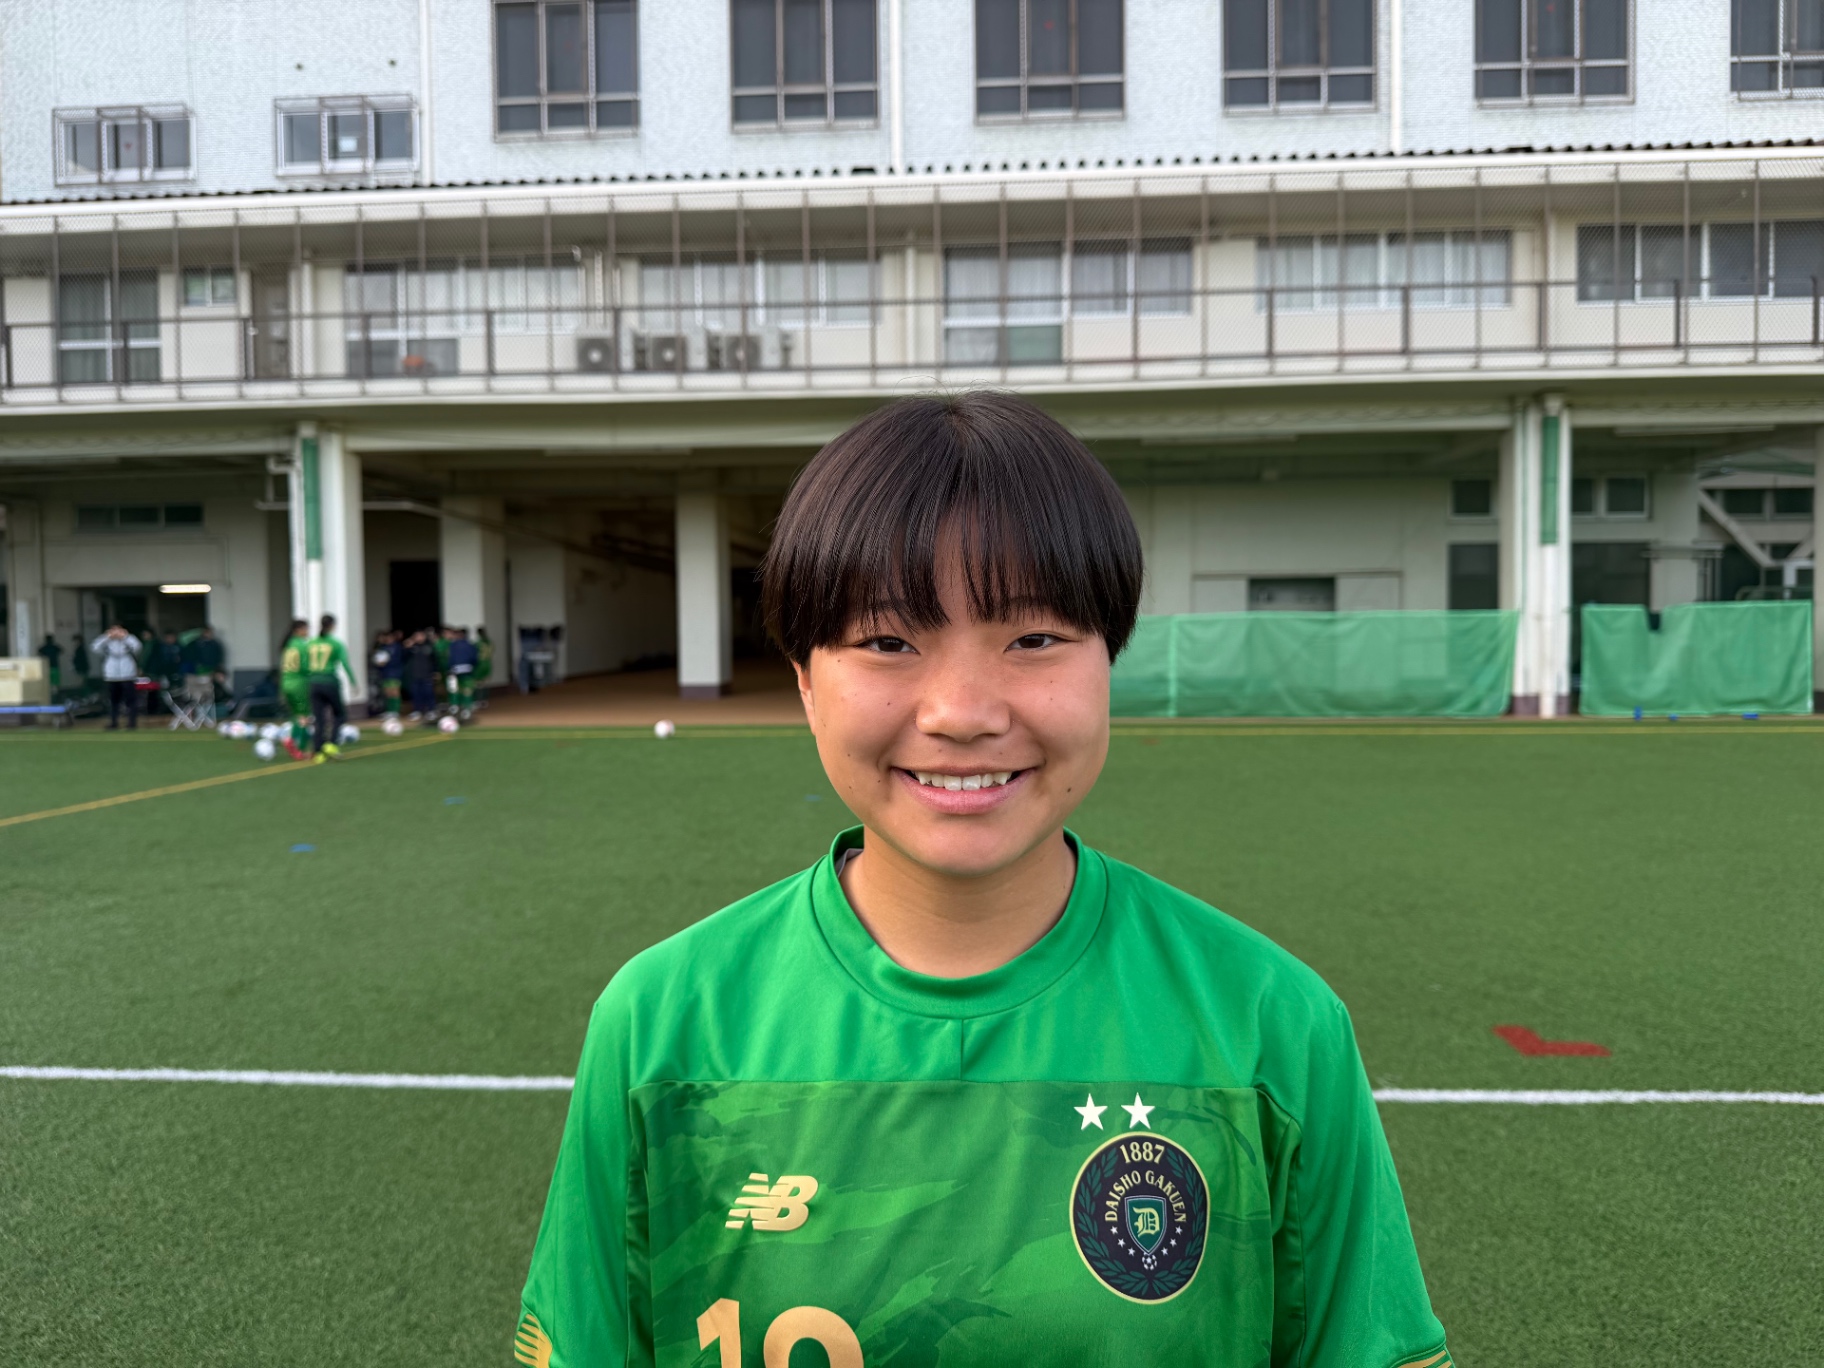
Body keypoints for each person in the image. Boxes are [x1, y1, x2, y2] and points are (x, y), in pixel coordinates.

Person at [516, 394, 1449, 1367]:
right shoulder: (663, 1023)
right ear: (803, 680)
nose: (961, 712)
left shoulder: (1270, 1025)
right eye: (887, 641)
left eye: (1033, 639)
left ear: (1110, 659)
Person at [304, 613, 358, 763]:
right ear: (333, 626)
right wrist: (353, 682)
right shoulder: (336, 643)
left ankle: (318, 752)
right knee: (340, 714)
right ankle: (331, 744)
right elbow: (345, 663)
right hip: (329, 682)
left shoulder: (311, 643)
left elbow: (305, 663)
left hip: (314, 683)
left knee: (319, 718)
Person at [90, 623, 141, 730]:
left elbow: (137, 647)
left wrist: (125, 637)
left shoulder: (128, 639)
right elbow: (94, 648)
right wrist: (106, 637)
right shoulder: (107, 641)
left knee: (130, 700)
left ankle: (132, 722)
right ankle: (114, 722)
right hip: (111, 675)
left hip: (127, 674)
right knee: (113, 700)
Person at [278, 619, 312, 761]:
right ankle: (299, 748)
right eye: (306, 629)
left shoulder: (288, 645)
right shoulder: (302, 645)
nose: (307, 632)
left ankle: (292, 742)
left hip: (286, 682)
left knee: (296, 715)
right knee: (305, 716)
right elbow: (305, 667)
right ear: (299, 630)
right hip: (299, 683)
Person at [182, 625, 227, 724]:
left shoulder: (215, 644)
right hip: (198, 675)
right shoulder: (196, 644)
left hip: (210, 674)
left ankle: (205, 714)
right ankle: (195, 714)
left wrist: (216, 670)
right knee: (195, 695)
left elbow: (219, 658)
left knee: (209, 693)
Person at [446, 626, 478, 721]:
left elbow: (450, 659)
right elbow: (475, 659)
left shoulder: (452, 645)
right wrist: (472, 667)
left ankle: (454, 707)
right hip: (468, 670)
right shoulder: (471, 645)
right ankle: (466, 709)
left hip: (455, 670)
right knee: (467, 690)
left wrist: (449, 669)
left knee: (454, 689)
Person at [373, 629, 405, 720]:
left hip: (395, 672)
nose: (388, 639)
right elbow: (378, 658)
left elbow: (399, 658)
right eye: (386, 637)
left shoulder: (397, 647)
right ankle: (389, 711)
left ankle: (395, 711)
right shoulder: (383, 648)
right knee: (387, 692)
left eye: (390, 637)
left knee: (394, 691)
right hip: (385, 673)